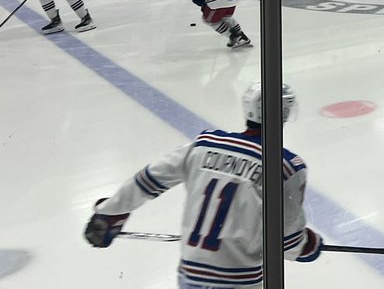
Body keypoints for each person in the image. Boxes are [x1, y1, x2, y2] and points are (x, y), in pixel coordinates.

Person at [84, 83, 324, 284]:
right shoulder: (286, 166)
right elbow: (287, 242)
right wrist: (310, 246)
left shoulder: (204, 143)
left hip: (190, 275)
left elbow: (149, 179)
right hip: (238, 280)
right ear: (284, 113)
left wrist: (109, 213)